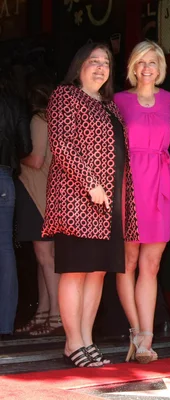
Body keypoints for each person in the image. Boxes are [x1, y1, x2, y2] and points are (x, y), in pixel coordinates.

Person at [43, 42, 139, 367]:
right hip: (77, 200)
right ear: (79, 65)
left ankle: (86, 338)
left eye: (106, 63)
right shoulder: (65, 96)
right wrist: (91, 183)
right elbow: (61, 145)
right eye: (93, 61)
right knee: (75, 271)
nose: (100, 67)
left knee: (97, 273)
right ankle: (73, 343)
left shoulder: (109, 105)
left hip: (108, 203)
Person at [114, 40, 170, 364]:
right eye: (141, 62)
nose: (147, 68)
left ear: (160, 67)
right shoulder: (119, 101)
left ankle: (147, 338)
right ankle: (137, 332)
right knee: (128, 260)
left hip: (160, 183)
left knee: (151, 264)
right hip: (129, 182)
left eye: (153, 62)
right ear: (133, 67)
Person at [14, 82, 62, 337]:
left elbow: (35, 160)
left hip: (36, 193)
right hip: (47, 195)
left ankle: (55, 315)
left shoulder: (38, 119)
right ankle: (44, 313)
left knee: (45, 257)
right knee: (45, 257)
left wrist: (13, 155)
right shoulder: (54, 119)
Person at [0, 65, 31, 338]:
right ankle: (5, 324)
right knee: (5, 250)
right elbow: (26, 147)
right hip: (4, 177)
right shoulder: (14, 103)